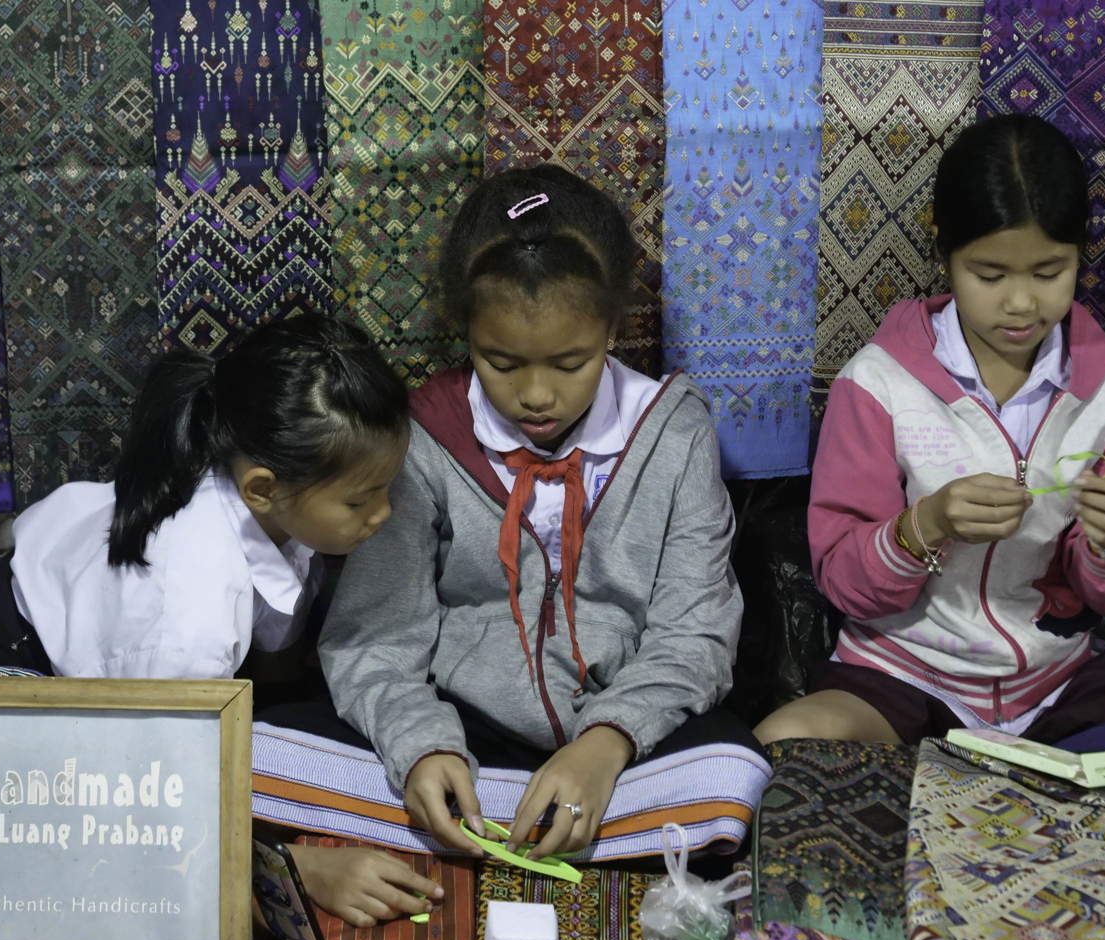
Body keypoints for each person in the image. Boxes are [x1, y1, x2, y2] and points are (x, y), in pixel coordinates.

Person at [288, 163, 758, 865]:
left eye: (570, 363)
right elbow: (375, 640)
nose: (536, 395)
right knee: (265, 756)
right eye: (500, 362)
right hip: (460, 729)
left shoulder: (674, 431)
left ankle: (515, 829)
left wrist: (607, 742)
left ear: (612, 329)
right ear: (465, 331)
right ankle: (484, 818)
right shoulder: (419, 440)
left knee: (734, 778)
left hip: (626, 740)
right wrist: (421, 749)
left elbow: (696, 632)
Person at [0, 312, 443, 926]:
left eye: (389, 487)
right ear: (262, 489)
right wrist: (297, 871)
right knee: (36, 861)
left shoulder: (248, 470)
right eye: (362, 499)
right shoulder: (186, 622)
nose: (384, 514)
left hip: (51, 634)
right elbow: (139, 797)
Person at [754, 114, 1105, 747]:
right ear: (944, 249)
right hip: (901, 674)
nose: (1021, 304)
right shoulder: (878, 385)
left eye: (1048, 272)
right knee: (786, 742)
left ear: (1082, 253)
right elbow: (843, 581)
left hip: (1060, 678)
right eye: (990, 275)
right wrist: (928, 524)